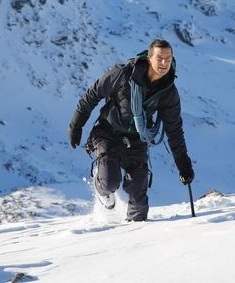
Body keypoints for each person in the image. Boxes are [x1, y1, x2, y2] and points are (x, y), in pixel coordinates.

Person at [67, 39, 194, 222]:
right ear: (149, 58)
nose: (164, 63)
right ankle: (102, 187)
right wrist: (76, 125)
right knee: (110, 182)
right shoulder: (124, 74)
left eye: (168, 58)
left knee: (139, 206)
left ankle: (135, 238)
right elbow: (93, 94)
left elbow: (174, 129)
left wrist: (184, 165)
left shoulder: (168, 92)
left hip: (137, 140)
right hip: (108, 132)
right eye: (160, 58)